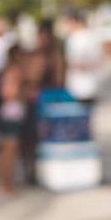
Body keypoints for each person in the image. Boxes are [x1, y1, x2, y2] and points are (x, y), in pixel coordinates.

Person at [20, 18, 65, 185]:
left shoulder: (55, 56)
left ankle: (41, 171)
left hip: (47, 103)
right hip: (32, 103)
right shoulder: (32, 55)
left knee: (43, 139)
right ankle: (30, 170)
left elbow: (59, 80)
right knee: (29, 139)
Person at [0, 44, 25, 193]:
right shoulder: (13, 71)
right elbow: (8, 92)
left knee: (8, 150)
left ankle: (7, 181)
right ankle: (7, 183)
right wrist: (21, 93)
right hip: (11, 112)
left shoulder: (8, 70)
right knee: (9, 151)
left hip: (9, 112)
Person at [64, 11, 103, 108]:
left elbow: (76, 61)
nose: (67, 26)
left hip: (82, 87)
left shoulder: (77, 38)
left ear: (74, 21)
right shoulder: (93, 36)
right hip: (90, 86)